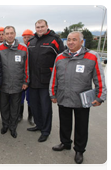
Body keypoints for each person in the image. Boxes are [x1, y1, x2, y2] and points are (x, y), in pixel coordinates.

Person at [49, 31, 106, 165]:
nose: (71, 42)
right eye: (68, 40)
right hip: (63, 97)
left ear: (81, 42)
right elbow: (54, 78)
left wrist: (100, 96)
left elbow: (99, 78)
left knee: (81, 126)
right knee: (65, 123)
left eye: (74, 40)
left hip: (82, 99)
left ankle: (79, 150)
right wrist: (53, 93)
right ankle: (65, 142)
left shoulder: (92, 56)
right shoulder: (60, 57)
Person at [27, 19, 64, 142]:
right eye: (37, 27)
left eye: (42, 27)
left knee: (45, 107)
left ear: (47, 26)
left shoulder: (55, 40)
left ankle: (46, 130)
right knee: (34, 105)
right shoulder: (31, 41)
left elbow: (62, 60)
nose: (40, 29)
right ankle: (39, 125)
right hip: (32, 81)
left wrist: (58, 82)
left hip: (46, 81)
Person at [0, 26, 29, 138]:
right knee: (4, 106)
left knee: (15, 107)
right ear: (4, 35)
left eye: (11, 33)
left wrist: (26, 81)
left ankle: (13, 127)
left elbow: (26, 67)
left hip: (17, 84)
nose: (9, 35)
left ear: (15, 34)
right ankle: (5, 125)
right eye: (7, 33)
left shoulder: (23, 49)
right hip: (3, 84)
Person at [18, 29, 34, 124]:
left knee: (30, 99)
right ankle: (19, 115)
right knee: (20, 98)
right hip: (21, 77)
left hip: (32, 78)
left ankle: (30, 116)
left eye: (29, 37)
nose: (27, 39)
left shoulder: (34, 47)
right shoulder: (21, 48)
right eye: (25, 37)